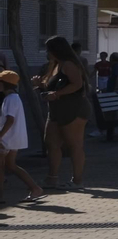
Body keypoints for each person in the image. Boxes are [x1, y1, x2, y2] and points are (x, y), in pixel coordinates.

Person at [32, 36, 90, 189]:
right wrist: (40, 85)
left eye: (49, 49)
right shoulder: (55, 65)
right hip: (56, 111)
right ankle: (52, 178)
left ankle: (77, 181)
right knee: (51, 142)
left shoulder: (69, 64)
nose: (47, 52)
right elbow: (51, 87)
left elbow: (77, 84)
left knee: (74, 145)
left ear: (56, 50)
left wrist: (57, 94)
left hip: (73, 109)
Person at [0, 70, 44, 203]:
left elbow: (10, 120)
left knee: (1, 168)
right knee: (11, 165)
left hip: (7, 138)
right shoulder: (13, 98)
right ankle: (35, 188)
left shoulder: (10, 99)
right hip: (11, 138)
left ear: (5, 84)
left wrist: (0, 136)